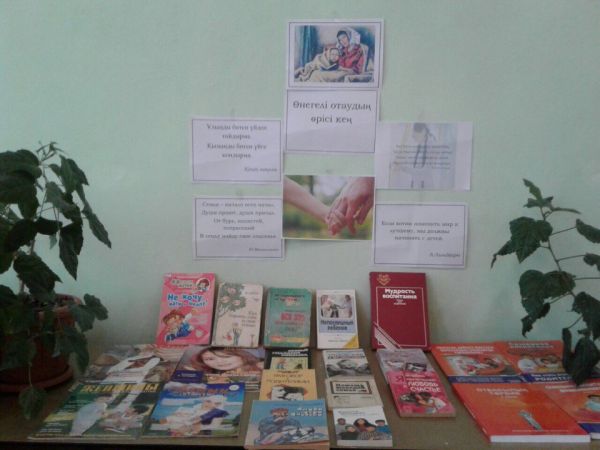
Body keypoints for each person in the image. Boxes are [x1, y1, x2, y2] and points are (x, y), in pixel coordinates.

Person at [190, 347, 263, 375]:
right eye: (210, 359)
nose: (220, 362)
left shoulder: (262, 367)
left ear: (243, 355)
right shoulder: (209, 374)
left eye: (226, 356)